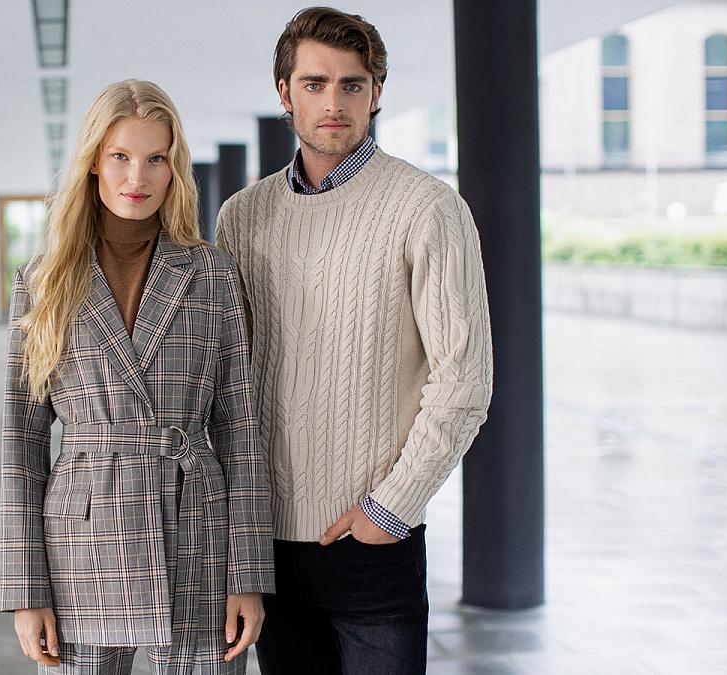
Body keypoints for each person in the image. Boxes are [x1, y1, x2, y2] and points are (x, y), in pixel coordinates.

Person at [216, 7, 494, 674]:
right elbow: (228, 378)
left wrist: (389, 509)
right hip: (268, 546)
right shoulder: (241, 217)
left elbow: (464, 380)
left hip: (372, 542)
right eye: (314, 84)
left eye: (352, 84)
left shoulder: (427, 207)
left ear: (376, 92)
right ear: (285, 92)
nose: (333, 104)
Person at [0, 79, 274, 674]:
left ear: (175, 168)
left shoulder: (212, 274)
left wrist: (248, 573)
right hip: (83, 539)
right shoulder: (43, 282)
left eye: (156, 159)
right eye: (120, 156)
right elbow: (22, 443)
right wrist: (26, 589)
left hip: (196, 530)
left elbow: (241, 430)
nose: (137, 177)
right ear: (93, 162)